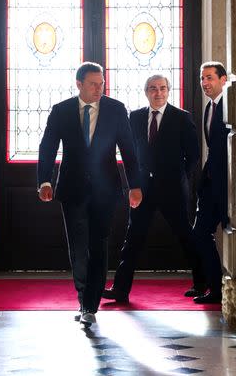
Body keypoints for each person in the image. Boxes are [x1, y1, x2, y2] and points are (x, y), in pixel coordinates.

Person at [37, 62, 142, 328]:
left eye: (102, 83)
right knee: (78, 248)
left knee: (99, 245)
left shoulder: (116, 110)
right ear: (79, 84)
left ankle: (90, 304)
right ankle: (83, 297)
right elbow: (48, 146)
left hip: (106, 189)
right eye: (94, 83)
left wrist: (135, 184)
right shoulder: (61, 111)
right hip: (72, 190)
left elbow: (129, 150)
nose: (99, 88)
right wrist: (44, 181)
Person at [102, 74, 203, 304]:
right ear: (146, 92)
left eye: (162, 88)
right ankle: (120, 289)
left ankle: (201, 283)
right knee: (133, 237)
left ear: (168, 91)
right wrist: (133, 183)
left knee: (185, 235)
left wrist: (177, 176)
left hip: (173, 190)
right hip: (142, 189)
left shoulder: (182, 118)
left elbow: (193, 155)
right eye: (153, 89)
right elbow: (129, 152)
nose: (158, 93)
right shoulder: (135, 117)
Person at [191, 61, 229, 304]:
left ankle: (219, 289)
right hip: (211, 183)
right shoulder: (209, 107)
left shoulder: (230, 106)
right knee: (200, 233)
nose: (205, 83)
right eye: (202, 78)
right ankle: (214, 287)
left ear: (223, 79)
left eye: (210, 78)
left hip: (228, 185)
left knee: (225, 232)